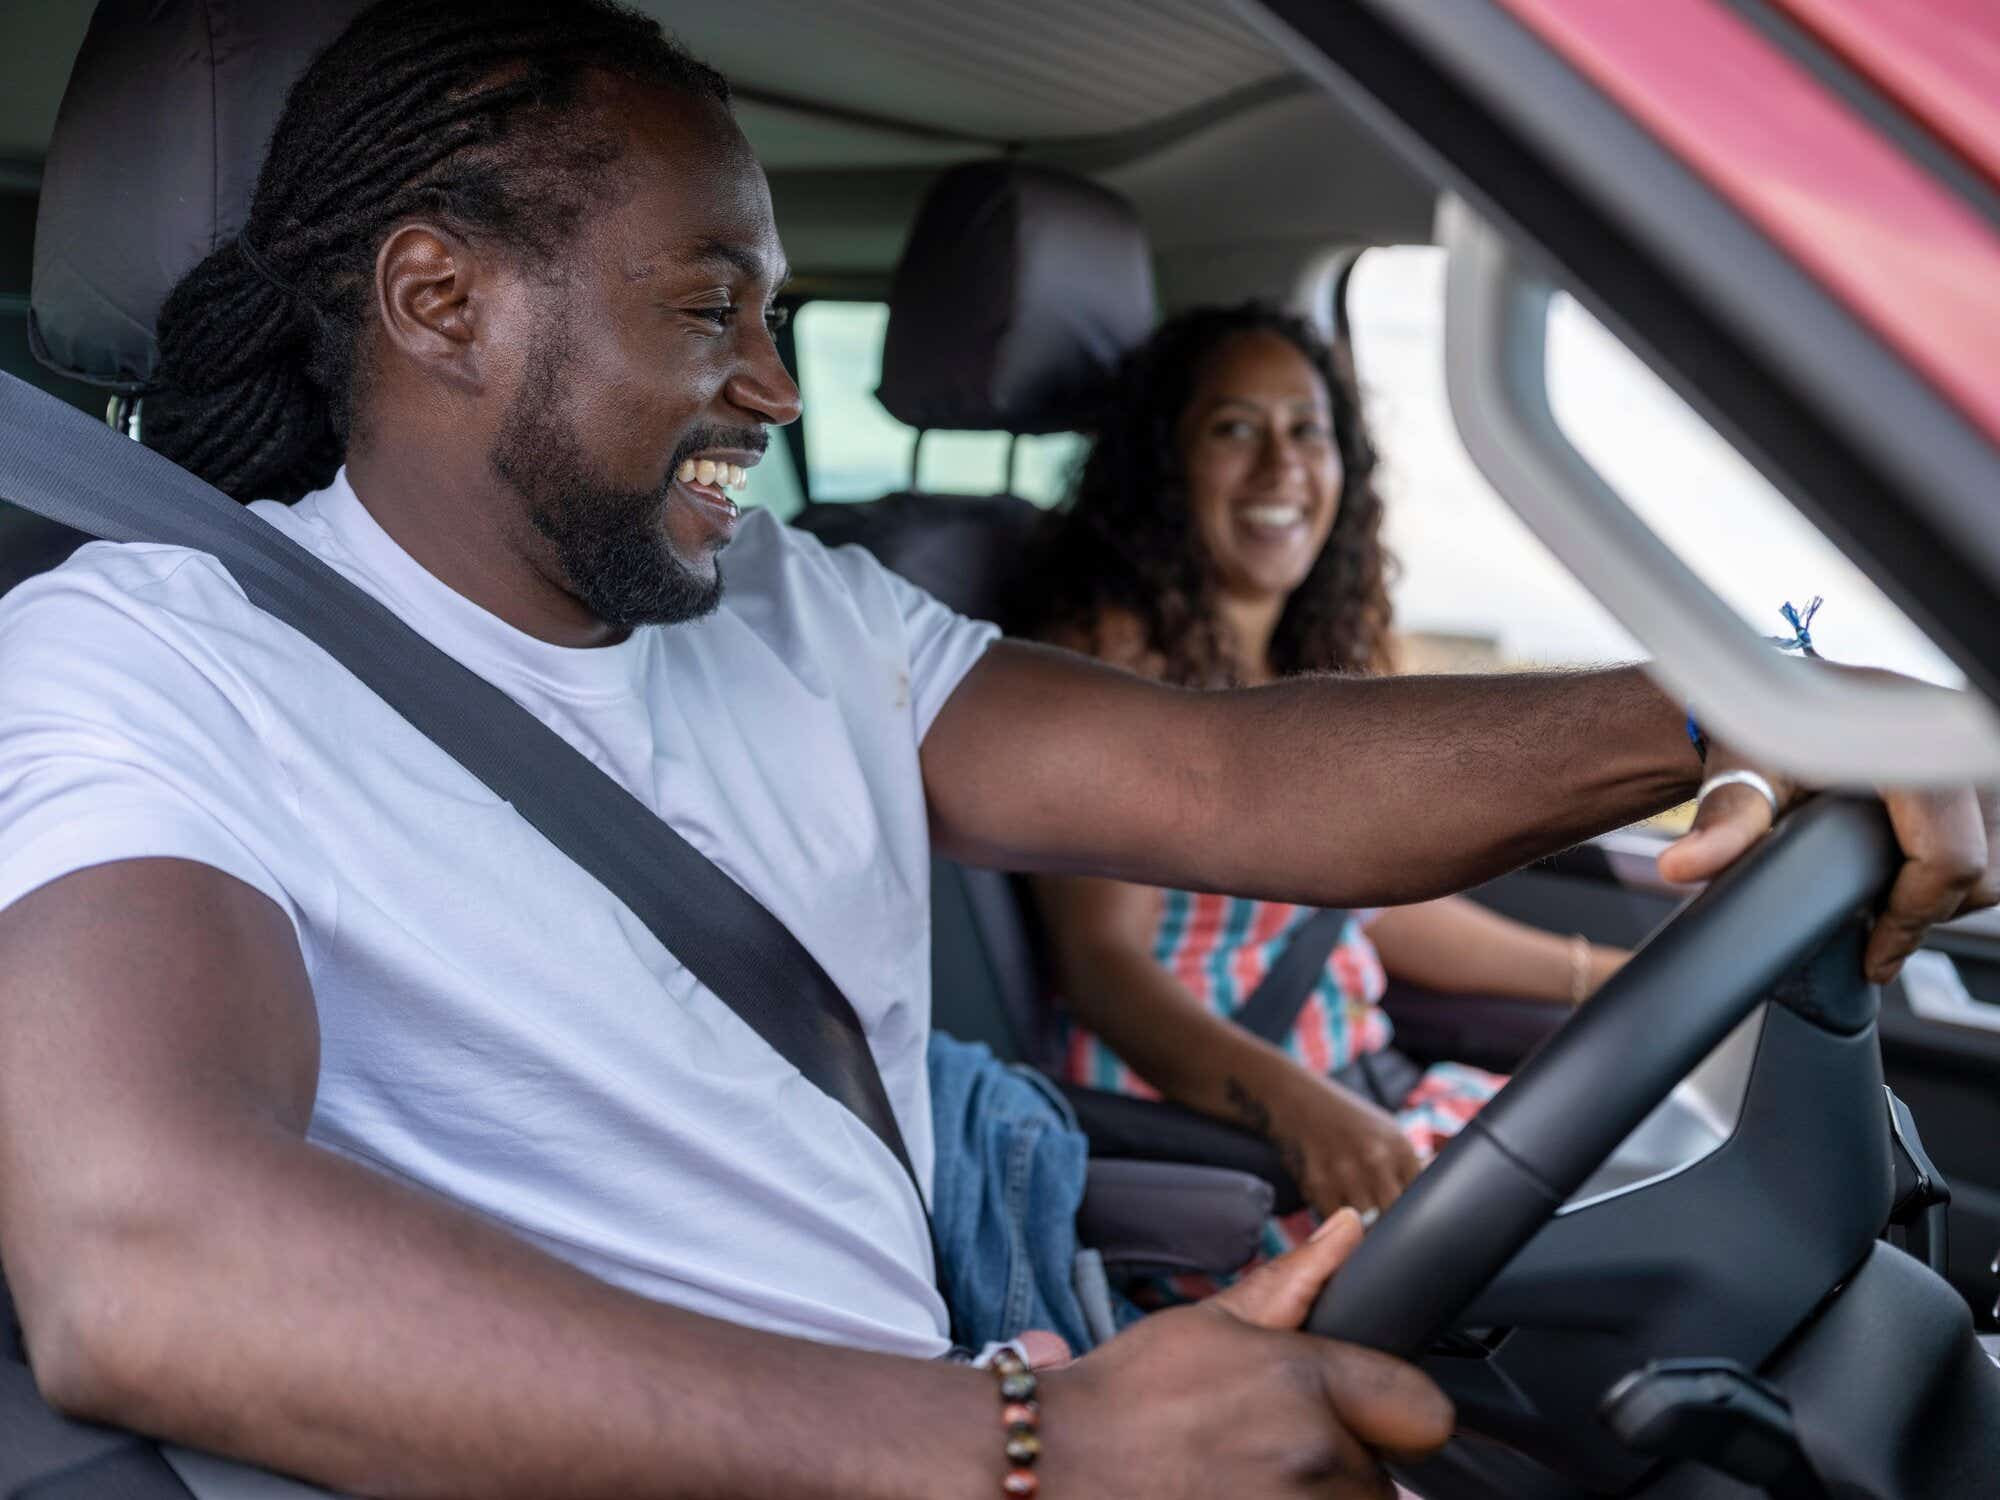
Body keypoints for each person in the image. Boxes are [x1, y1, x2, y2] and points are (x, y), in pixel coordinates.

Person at [0, 4, 1989, 1498]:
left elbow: (1238, 786)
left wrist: (1746, 708)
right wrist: (1022, 1445)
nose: (779, 389)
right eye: (714, 311)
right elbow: (146, 1255)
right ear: (437, 301)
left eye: (781, 312)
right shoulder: (153, 659)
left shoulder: (785, 607)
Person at [1023, 304, 1627, 1233]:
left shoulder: (1304, 657)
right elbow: (1103, 962)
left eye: (1309, 431)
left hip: (1339, 1082)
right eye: (1234, 430)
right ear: (1166, 465)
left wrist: (1602, 974)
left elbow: (1372, 910)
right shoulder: (1115, 657)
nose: (1282, 468)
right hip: (1203, 1137)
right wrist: (1307, 1116)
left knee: (1642, 1175)